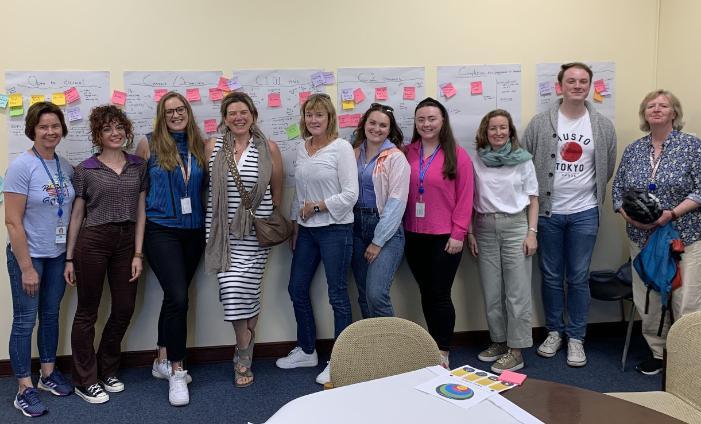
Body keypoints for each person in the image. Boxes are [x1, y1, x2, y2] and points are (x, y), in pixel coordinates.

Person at [523, 62, 616, 367]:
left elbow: (607, 166)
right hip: (548, 213)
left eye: (583, 81)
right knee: (550, 276)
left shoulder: (602, 125)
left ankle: (576, 338)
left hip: (584, 213)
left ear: (590, 86)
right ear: (559, 86)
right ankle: (554, 332)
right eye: (571, 81)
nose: (577, 85)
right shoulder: (540, 123)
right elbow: (526, 164)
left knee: (577, 278)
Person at [612, 89, 701, 375]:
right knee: (648, 297)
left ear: (674, 112)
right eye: (651, 105)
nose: (657, 109)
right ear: (644, 113)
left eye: (664, 105)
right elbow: (618, 192)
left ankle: (686, 359)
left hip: (683, 236)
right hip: (643, 238)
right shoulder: (634, 150)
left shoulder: (692, 147)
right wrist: (633, 218)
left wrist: (671, 214)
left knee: (685, 299)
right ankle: (658, 352)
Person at [64, 105, 148, 404]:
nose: (115, 133)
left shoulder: (138, 165)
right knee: (88, 311)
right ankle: (85, 379)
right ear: (98, 135)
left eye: (119, 128)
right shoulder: (86, 169)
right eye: (107, 129)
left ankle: (107, 368)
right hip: (94, 240)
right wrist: (69, 258)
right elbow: (77, 215)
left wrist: (138, 253)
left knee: (124, 308)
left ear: (126, 131)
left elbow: (141, 210)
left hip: (127, 242)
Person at [275, 93, 358, 385]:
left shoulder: (342, 148)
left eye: (319, 115)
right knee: (296, 287)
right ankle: (308, 350)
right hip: (307, 230)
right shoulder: (302, 148)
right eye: (309, 115)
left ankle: (340, 360)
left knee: (337, 295)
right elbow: (299, 191)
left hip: (336, 228)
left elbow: (351, 195)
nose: (314, 120)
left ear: (329, 118)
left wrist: (319, 206)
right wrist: (297, 224)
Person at [204, 92, 283, 388]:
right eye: (232, 113)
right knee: (232, 289)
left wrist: (268, 222)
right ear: (224, 118)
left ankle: (243, 354)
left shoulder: (269, 148)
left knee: (247, 291)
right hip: (222, 234)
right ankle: (245, 342)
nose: (238, 117)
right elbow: (206, 187)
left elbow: (277, 191)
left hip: (256, 233)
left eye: (243, 112)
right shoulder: (212, 146)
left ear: (253, 115)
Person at [135, 91, 206, 405]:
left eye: (180, 109)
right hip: (160, 231)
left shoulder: (200, 146)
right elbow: (139, 195)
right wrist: (136, 248)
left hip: (193, 232)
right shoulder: (147, 144)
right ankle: (178, 371)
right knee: (178, 296)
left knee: (174, 298)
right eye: (169, 112)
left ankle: (161, 359)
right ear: (161, 117)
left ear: (188, 112)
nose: (175, 115)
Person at [4, 102, 75, 417]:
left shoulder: (65, 166)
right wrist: (26, 268)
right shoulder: (22, 166)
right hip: (29, 257)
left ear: (62, 129)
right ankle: (24, 388)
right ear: (32, 129)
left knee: (50, 316)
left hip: (57, 255)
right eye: (43, 126)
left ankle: (47, 374)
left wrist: (69, 257)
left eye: (55, 126)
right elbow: (12, 221)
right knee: (24, 322)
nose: (50, 131)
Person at [403, 97, 474, 368]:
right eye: (421, 119)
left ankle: (443, 350)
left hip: (446, 237)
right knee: (426, 291)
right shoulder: (407, 152)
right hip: (413, 234)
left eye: (432, 118)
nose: (426, 124)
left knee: (440, 293)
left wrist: (459, 233)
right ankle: (432, 345)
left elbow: (466, 197)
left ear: (443, 121)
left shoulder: (457, 154)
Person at [467, 109, 538, 374]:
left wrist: (532, 233)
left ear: (510, 131)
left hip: (516, 227)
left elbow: (533, 199)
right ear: (485, 132)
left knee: (517, 294)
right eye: (493, 128)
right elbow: (470, 199)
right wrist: (470, 232)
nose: (498, 132)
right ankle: (499, 342)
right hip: (484, 227)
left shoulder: (523, 161)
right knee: (492, 291)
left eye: (503, 128)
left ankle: (517, 351)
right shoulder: (476, 160)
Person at [350, 103, 410, 318]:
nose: (376, 128)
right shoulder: (353, 153)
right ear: (364, 124)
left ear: (389, 130)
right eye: (372, 123)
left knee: (376, 294)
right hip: (355, 226)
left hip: (386, 229)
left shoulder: (396, 158)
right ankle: (373, 350)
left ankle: (391, 350)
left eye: (383, 125)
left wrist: (378, 241)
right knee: (364, 295)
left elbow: (396, 203)